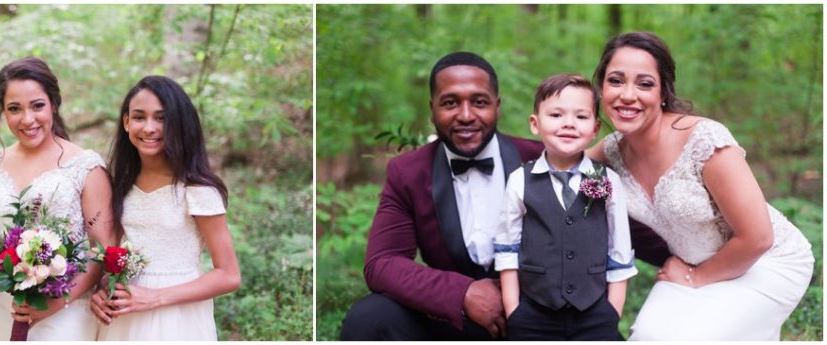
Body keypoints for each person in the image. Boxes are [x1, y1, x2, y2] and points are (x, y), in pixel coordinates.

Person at [586, 31, 814, 340]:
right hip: (692, 262)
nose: (628, 95)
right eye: (616, 80)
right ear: (601, 88)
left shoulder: (705, 140)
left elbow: (758, 238)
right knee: (645, 337)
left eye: (644, 83)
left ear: (663, 93)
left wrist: (696, 277)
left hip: (766, 260)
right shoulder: (612, 150)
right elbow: (561, 160)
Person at [338, 52, 546, 340]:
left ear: (497, 107)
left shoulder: (542, 160)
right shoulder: (407, 172)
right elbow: (382, 263)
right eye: (450, 103)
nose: (465, 115)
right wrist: (462, 293)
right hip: (455, 321)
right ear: (432, 109)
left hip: (541, 319)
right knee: (370, 317)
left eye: (479, 102)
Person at [90, 75, 240, 340]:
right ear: (126, 122)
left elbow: (228, 275)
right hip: (125, 311)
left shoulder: (197, 189)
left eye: (161, 118)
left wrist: (154, 298)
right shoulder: (120, 184)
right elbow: (114, 252)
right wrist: (102, 290)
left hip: (177, 313)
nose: (149, 128)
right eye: (139, 117)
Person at [0, 57, 116, 340]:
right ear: (2, 112)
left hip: (67, 311)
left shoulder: (85, 166)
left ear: (54, 103)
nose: (27, 119)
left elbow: (101, 249)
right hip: (5, 307)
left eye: (37, 106)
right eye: (14, 109)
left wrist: (58, 301)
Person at [493, 74, 636, 340]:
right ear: (535, 124)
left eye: (581, 117)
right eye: (556, 115)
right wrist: (514, 311)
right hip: (534, 312)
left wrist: (611, 313)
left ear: (595, 128)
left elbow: (619, 251)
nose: (569, 124)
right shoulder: (519, 180)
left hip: (594, 312)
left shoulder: (609, 181)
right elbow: (507, 249)